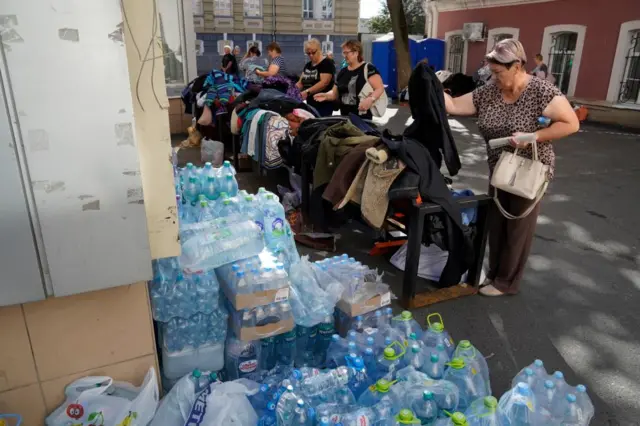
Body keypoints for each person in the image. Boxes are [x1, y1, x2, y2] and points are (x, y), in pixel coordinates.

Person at [443, 39, 579, 297]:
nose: (494, 77)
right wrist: (433, 87)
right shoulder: (490, 91)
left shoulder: (540, 90)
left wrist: (534, 136)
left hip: (530, 167)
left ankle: (507, 282)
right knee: (497, 222)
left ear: (517, 65)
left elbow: (571, 124)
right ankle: (494, 274)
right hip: (500, 167)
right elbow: (455, 106)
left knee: (518, 226)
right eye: (491, 72)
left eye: (498, 72)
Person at [313, 40, 385, 120]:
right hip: (345, 118)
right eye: (344, 53)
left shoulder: (368, 68)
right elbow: (334, 93)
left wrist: (371, 99)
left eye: (347, 53)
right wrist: (326, 95)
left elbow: (379, 88)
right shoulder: (343, 72)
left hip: (363, 119)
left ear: (356, 53)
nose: (345, 56)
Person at [297, 38, 336, 117]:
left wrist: (307, 92)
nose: (311, 55)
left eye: (313, 52)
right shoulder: (308, 65)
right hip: (311, 103)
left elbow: (324, 83)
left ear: (319, 50)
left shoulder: (327, 63)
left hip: (324, 104)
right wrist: (291, 91)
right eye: (308, 53)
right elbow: (301, 82)